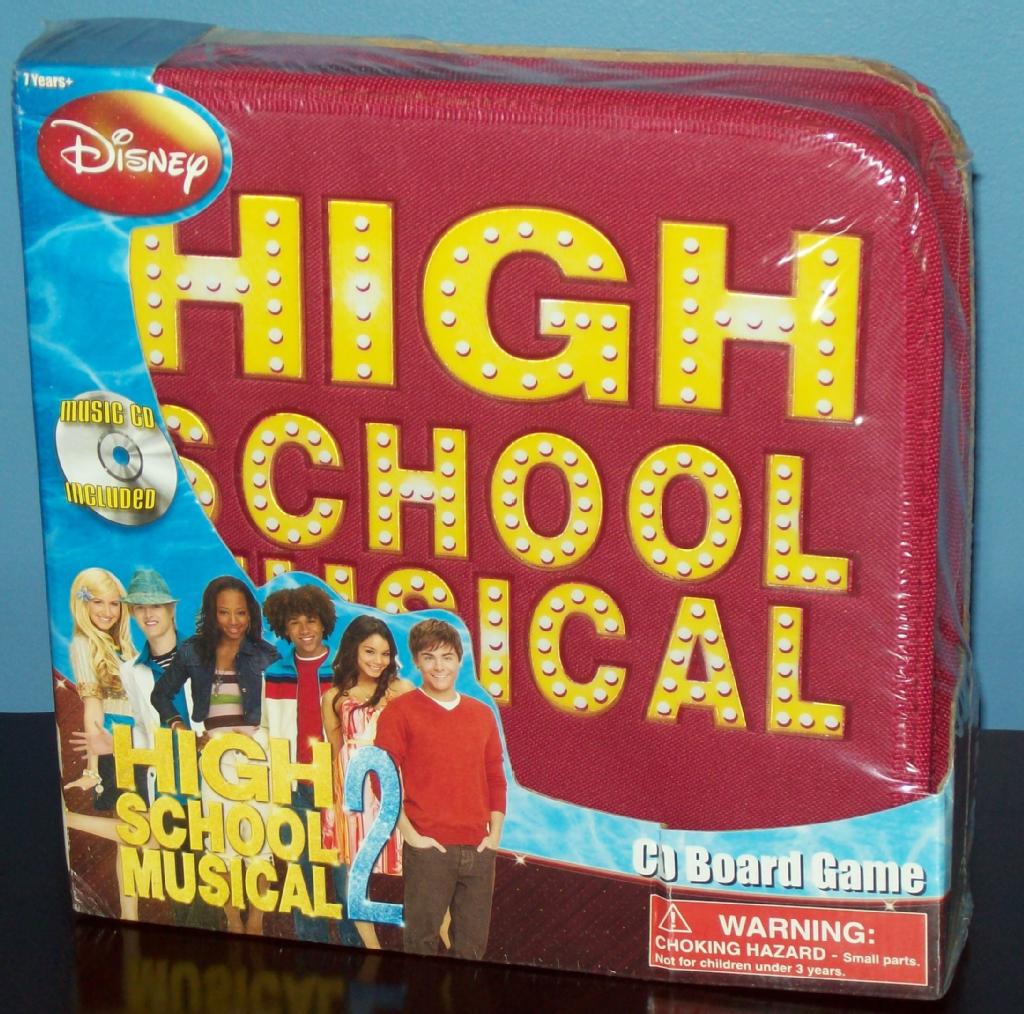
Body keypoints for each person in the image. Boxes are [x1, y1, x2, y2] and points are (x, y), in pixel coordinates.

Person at [151, 575, 279, 935]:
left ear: (251, 615)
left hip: (257, 753)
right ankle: (232, 920)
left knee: (259, 841)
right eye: (224, 612)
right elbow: (161, 695)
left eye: (241, 613)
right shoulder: (193, 651)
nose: (234, 621)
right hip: (215, 756)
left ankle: (256, 921)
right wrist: (181, 728)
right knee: (220, 843)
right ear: (212, 613)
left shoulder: (265, 654)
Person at [374, 618, 506, 959]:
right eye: (429, 657)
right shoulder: (400, 712)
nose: (438, 666)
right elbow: (382, 778)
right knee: (421, 947)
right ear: (416, 662)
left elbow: (495, 776)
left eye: (447, 657)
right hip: (428, 850)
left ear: (459, 661)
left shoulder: (482, 714)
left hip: (479, 849)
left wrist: (494, 836)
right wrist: (411, 836)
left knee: (472, 950)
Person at [261, 583, 360, 945]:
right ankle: (311, 951)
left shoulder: (345, 670)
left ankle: (354, 948)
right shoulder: (274, 673)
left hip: (338, 787)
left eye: (311, 620)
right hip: (294, 788)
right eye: (295, 622)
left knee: (346, 880)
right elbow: (267, 728)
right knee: (303, 882)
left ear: (324, 623)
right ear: (284, 628)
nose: (304, 629)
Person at [63, 567, 151, 920]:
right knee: (142, 831)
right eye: (98, 602)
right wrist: (93, 770)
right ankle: (67, 819)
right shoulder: (83, 644)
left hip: (137, 743)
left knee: (127, 843)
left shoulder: (121, 645)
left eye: (114, 603)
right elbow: (93, 708)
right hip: (116, 745)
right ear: (82, 604)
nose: (107, 611)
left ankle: (130, 919)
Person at [321, 614, 414, 948]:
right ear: (353, 651)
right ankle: (373, 951)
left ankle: (441, 946)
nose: (378, 660)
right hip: (354, 791)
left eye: (385, 653)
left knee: (419, 867)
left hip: (394, 785)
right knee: (356, 876)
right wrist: (334, 807)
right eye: (370, 651)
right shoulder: (334, 696)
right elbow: (336, 752)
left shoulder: (402, 690)